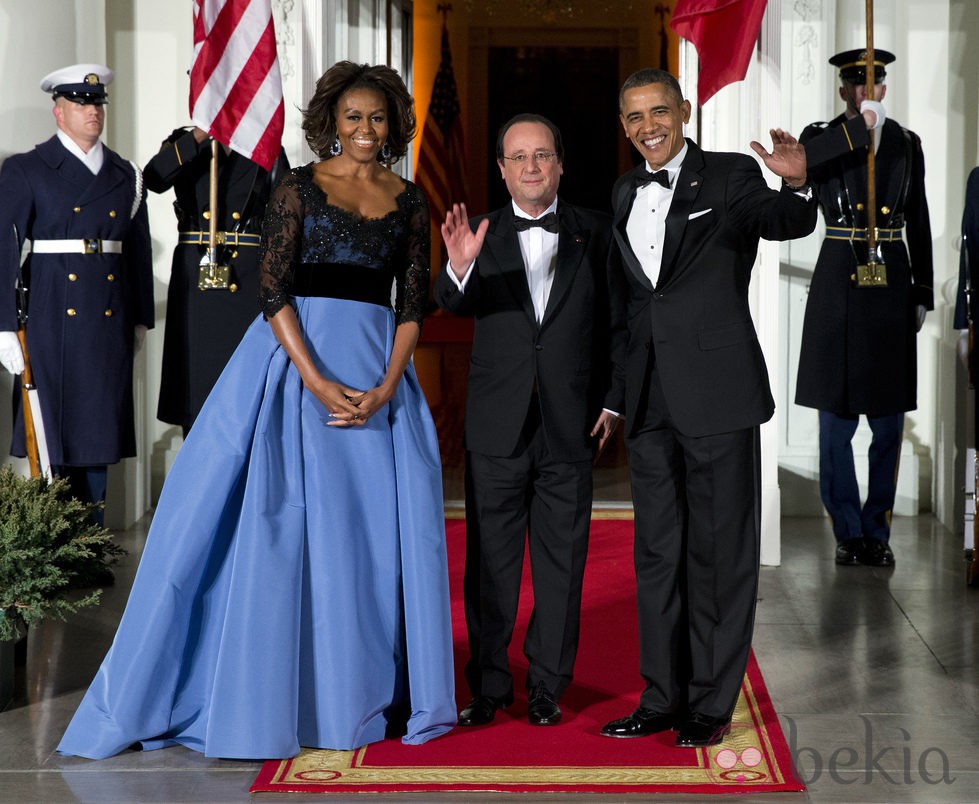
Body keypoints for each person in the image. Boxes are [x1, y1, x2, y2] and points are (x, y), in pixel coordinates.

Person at [57, 61, 455, 760]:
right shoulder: (298, 187)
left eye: (378, 118)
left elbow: (412, 303)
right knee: (280, 536)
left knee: (368, 545)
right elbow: (272, 289)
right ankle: (275, 695)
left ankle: (358, 695)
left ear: (394, 124)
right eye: (353, 117)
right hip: (293, 371)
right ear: (331, 121)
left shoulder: (410, 200)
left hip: (378, 382)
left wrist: (390, 385)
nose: (365, 130)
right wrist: (316, 381)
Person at [599, 68, 816, 748]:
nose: (646, 126)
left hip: (718, 393)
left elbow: (782, 222)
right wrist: (613, 396)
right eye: (633, 116)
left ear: (684, 109)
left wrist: (796, 182)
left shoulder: (728, 177)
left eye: (657, 111)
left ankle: (709, 703)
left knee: (719, 554)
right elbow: (628, 305)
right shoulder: (624, 189)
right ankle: (660, 696)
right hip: (649, 398)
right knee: (656, 553)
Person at [434, 113, 620, 728]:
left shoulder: (595, 231)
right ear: (502, 168)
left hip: (571, 425)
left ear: (560, 163)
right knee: (490, 564)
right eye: (519, 157)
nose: (532, 167)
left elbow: (620, 325)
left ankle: (545, 687)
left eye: (542, 155)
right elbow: (450, 302)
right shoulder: (480, 234)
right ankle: (488, 689)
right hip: (497, 426)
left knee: (562, 566)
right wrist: (459, 265)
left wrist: (614, 400)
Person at [796, 49, 933, 568]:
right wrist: (859, 128)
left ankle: (878, 529)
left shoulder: (906, 144)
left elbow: (916, 216)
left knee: (888, 419)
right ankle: (847, 530)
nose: (865, 93)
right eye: (856, 85)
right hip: (838, 274)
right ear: (842, 91)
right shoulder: (821, 136)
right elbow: (807, 171)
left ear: (883, 88)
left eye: (874, 84)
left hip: (889, 274)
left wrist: (921, 287)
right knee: (836, 418)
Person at [0, 64, 154, 526]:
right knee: (50, 427)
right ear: (58, 111)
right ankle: (56, 543)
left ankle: (90, 542)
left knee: (98, 428)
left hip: (107, 318)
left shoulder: (126, 174)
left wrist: (140, 317)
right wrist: (4, 324)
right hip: (49, 310)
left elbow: (137, 251)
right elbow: (4, 245)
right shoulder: (28, 169)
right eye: (81, 103)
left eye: (97, 104)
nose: (93, 111)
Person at [144, 125, 289, 434]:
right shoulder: (183, 142)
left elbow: (285, 213)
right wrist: (199, 136)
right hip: (196, 278)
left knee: (245, 389)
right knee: (196, 387)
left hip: (247, 279)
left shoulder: (263, 143)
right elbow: (153, 178)